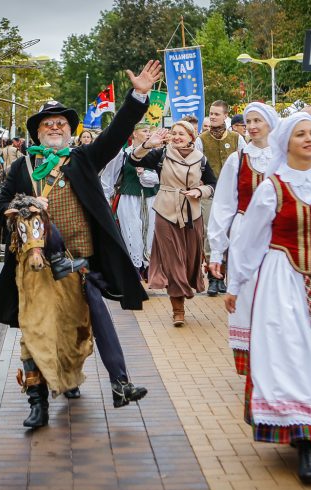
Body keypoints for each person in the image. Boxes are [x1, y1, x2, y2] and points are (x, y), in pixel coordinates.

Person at [0, 60, 160, 428]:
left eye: (60, 124)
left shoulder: (82, 158)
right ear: (37, 133)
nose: (54, 128)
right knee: (35, 330)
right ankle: (38, 403)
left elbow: (115, 135)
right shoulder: (21, 167)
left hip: (80, 260)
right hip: (34, 265)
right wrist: (26, 204)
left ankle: (118, 383)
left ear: (70, 131)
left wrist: (138, 96)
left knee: (89, 320)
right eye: (47, 125)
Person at [225, 113, 311, 481]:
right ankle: (303, 438)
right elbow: (250, 240)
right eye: (301, 134)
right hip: (282, 280)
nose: (310, 139)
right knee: (292, 351)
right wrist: (236, 285)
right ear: (287, 141)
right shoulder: (273, 187)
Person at [208, 102, 278, 377]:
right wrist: (216, 251)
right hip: (243, 233)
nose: (252, 126)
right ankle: (253, 366)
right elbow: (224, 204)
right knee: (245, 295)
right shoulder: (237, 160)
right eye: (248, 121)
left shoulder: (284, 158)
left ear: (271, 123)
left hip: (276, 236)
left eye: (258, 120)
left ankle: (276, 360)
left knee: (275, 295)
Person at [129, 121, 216, 326]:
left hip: (192, 213)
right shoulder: (161, 155)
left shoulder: (201, 159)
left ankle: (186, 286)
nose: (177, 137)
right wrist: (149, 144)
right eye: (174, 133)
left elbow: (213, 184)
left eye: (182, 134)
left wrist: (199, 191)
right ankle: (178, 310)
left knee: (188, 260)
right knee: (172, 260)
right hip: (166, 211)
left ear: (191, 137)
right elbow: (134, 160)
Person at [195, 100, 247, 295]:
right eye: (211, 113)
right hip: (211, 192)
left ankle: (225, 275)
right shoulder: (202, 139)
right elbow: (197, 164)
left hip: (233, 194)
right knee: (210, 234)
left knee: (232, 233)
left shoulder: (236, 138)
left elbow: (245, 162)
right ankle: (213, 277)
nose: (214, 116)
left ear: (226, 116)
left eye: (217, 114)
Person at [101, 122, 159, 276]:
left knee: (150, 231)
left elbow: (160, 177)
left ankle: (148, 267)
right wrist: (106, 199)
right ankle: (134, 268)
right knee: (131, 231)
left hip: (150, 198)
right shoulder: (123, 154)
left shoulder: (155, 154)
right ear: (134, 134)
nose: (148, 134)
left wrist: (145, 174)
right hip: (129, 198)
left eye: (149, 131)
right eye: (144, 131)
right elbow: (108, 178)